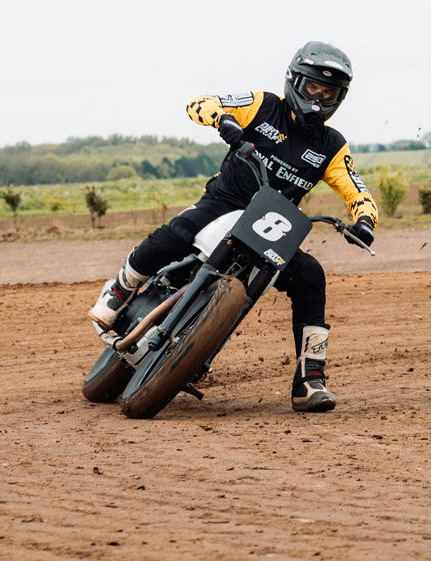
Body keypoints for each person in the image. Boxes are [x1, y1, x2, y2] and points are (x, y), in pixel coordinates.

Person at [89, 41, 378, 413]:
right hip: (223, 202)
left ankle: (310, 380)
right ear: (295, 81)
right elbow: (201, 103)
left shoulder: (331, 145)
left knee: (311, 275)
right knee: (175, 235)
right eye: (312, 88)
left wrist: (364, 221)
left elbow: (356, 188)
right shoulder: (263, 105)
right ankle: (120, 289)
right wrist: (222, 119)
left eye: (329, 93)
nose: (318, 99)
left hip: (271, 226)